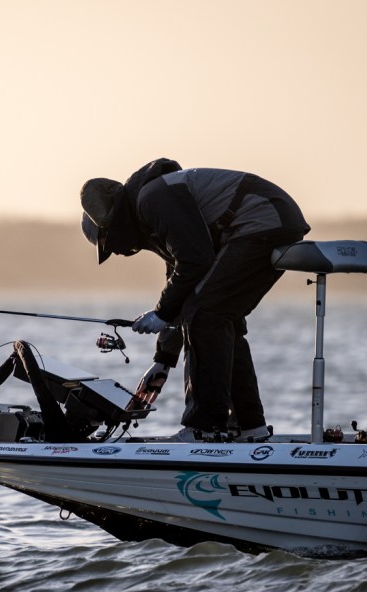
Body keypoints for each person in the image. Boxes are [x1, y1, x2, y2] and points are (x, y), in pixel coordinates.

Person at [80, 158, 310, 442]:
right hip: (273, 217)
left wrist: (161, 313)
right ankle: (249, 427)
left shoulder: (153, 199)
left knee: (205, 315)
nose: (117, 252)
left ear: (112, 226)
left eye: (109, 245)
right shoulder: (152, 215)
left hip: (262, 218)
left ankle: (204, 429)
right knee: (220, 318)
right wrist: (163, 360)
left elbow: (194, 264)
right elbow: (182, 287)